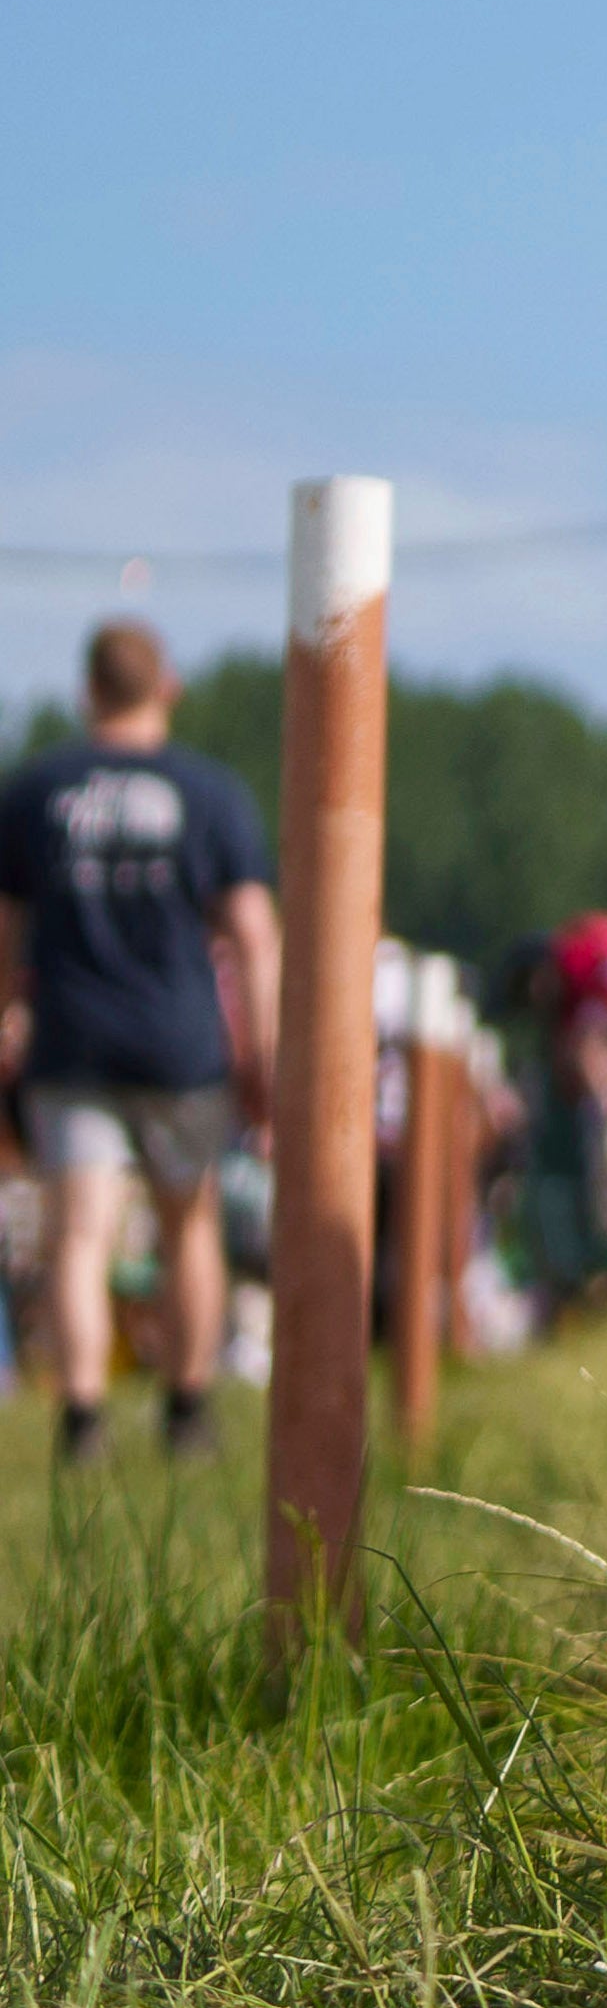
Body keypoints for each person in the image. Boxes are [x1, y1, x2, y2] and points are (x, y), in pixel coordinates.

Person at [3, 619, 274, 1466]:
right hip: (180, 1042)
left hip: (74, 1039)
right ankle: (186, 1410)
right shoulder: (211, 791)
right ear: (169, 687)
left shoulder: (38, 787)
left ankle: (83, 1417)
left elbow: (4, 927)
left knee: (79, 1232)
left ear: (89, 692)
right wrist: (261, 1050)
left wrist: (8, 1012)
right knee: (187, 1226)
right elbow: (254, 934)